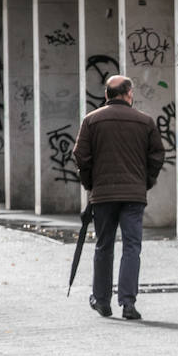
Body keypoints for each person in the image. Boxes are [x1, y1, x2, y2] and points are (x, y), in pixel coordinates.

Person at [71, 75, 164, 321]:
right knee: (132, 247)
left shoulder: (91, 121)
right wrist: (145, 181)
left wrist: (91, 184)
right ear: (129, 94)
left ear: (106, 95)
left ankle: (102, 300)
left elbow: (80, 155)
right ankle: (128, 303)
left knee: (104, 246)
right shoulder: (145, 121)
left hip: (102, 195)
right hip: (134, 195)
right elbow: (157, 155)